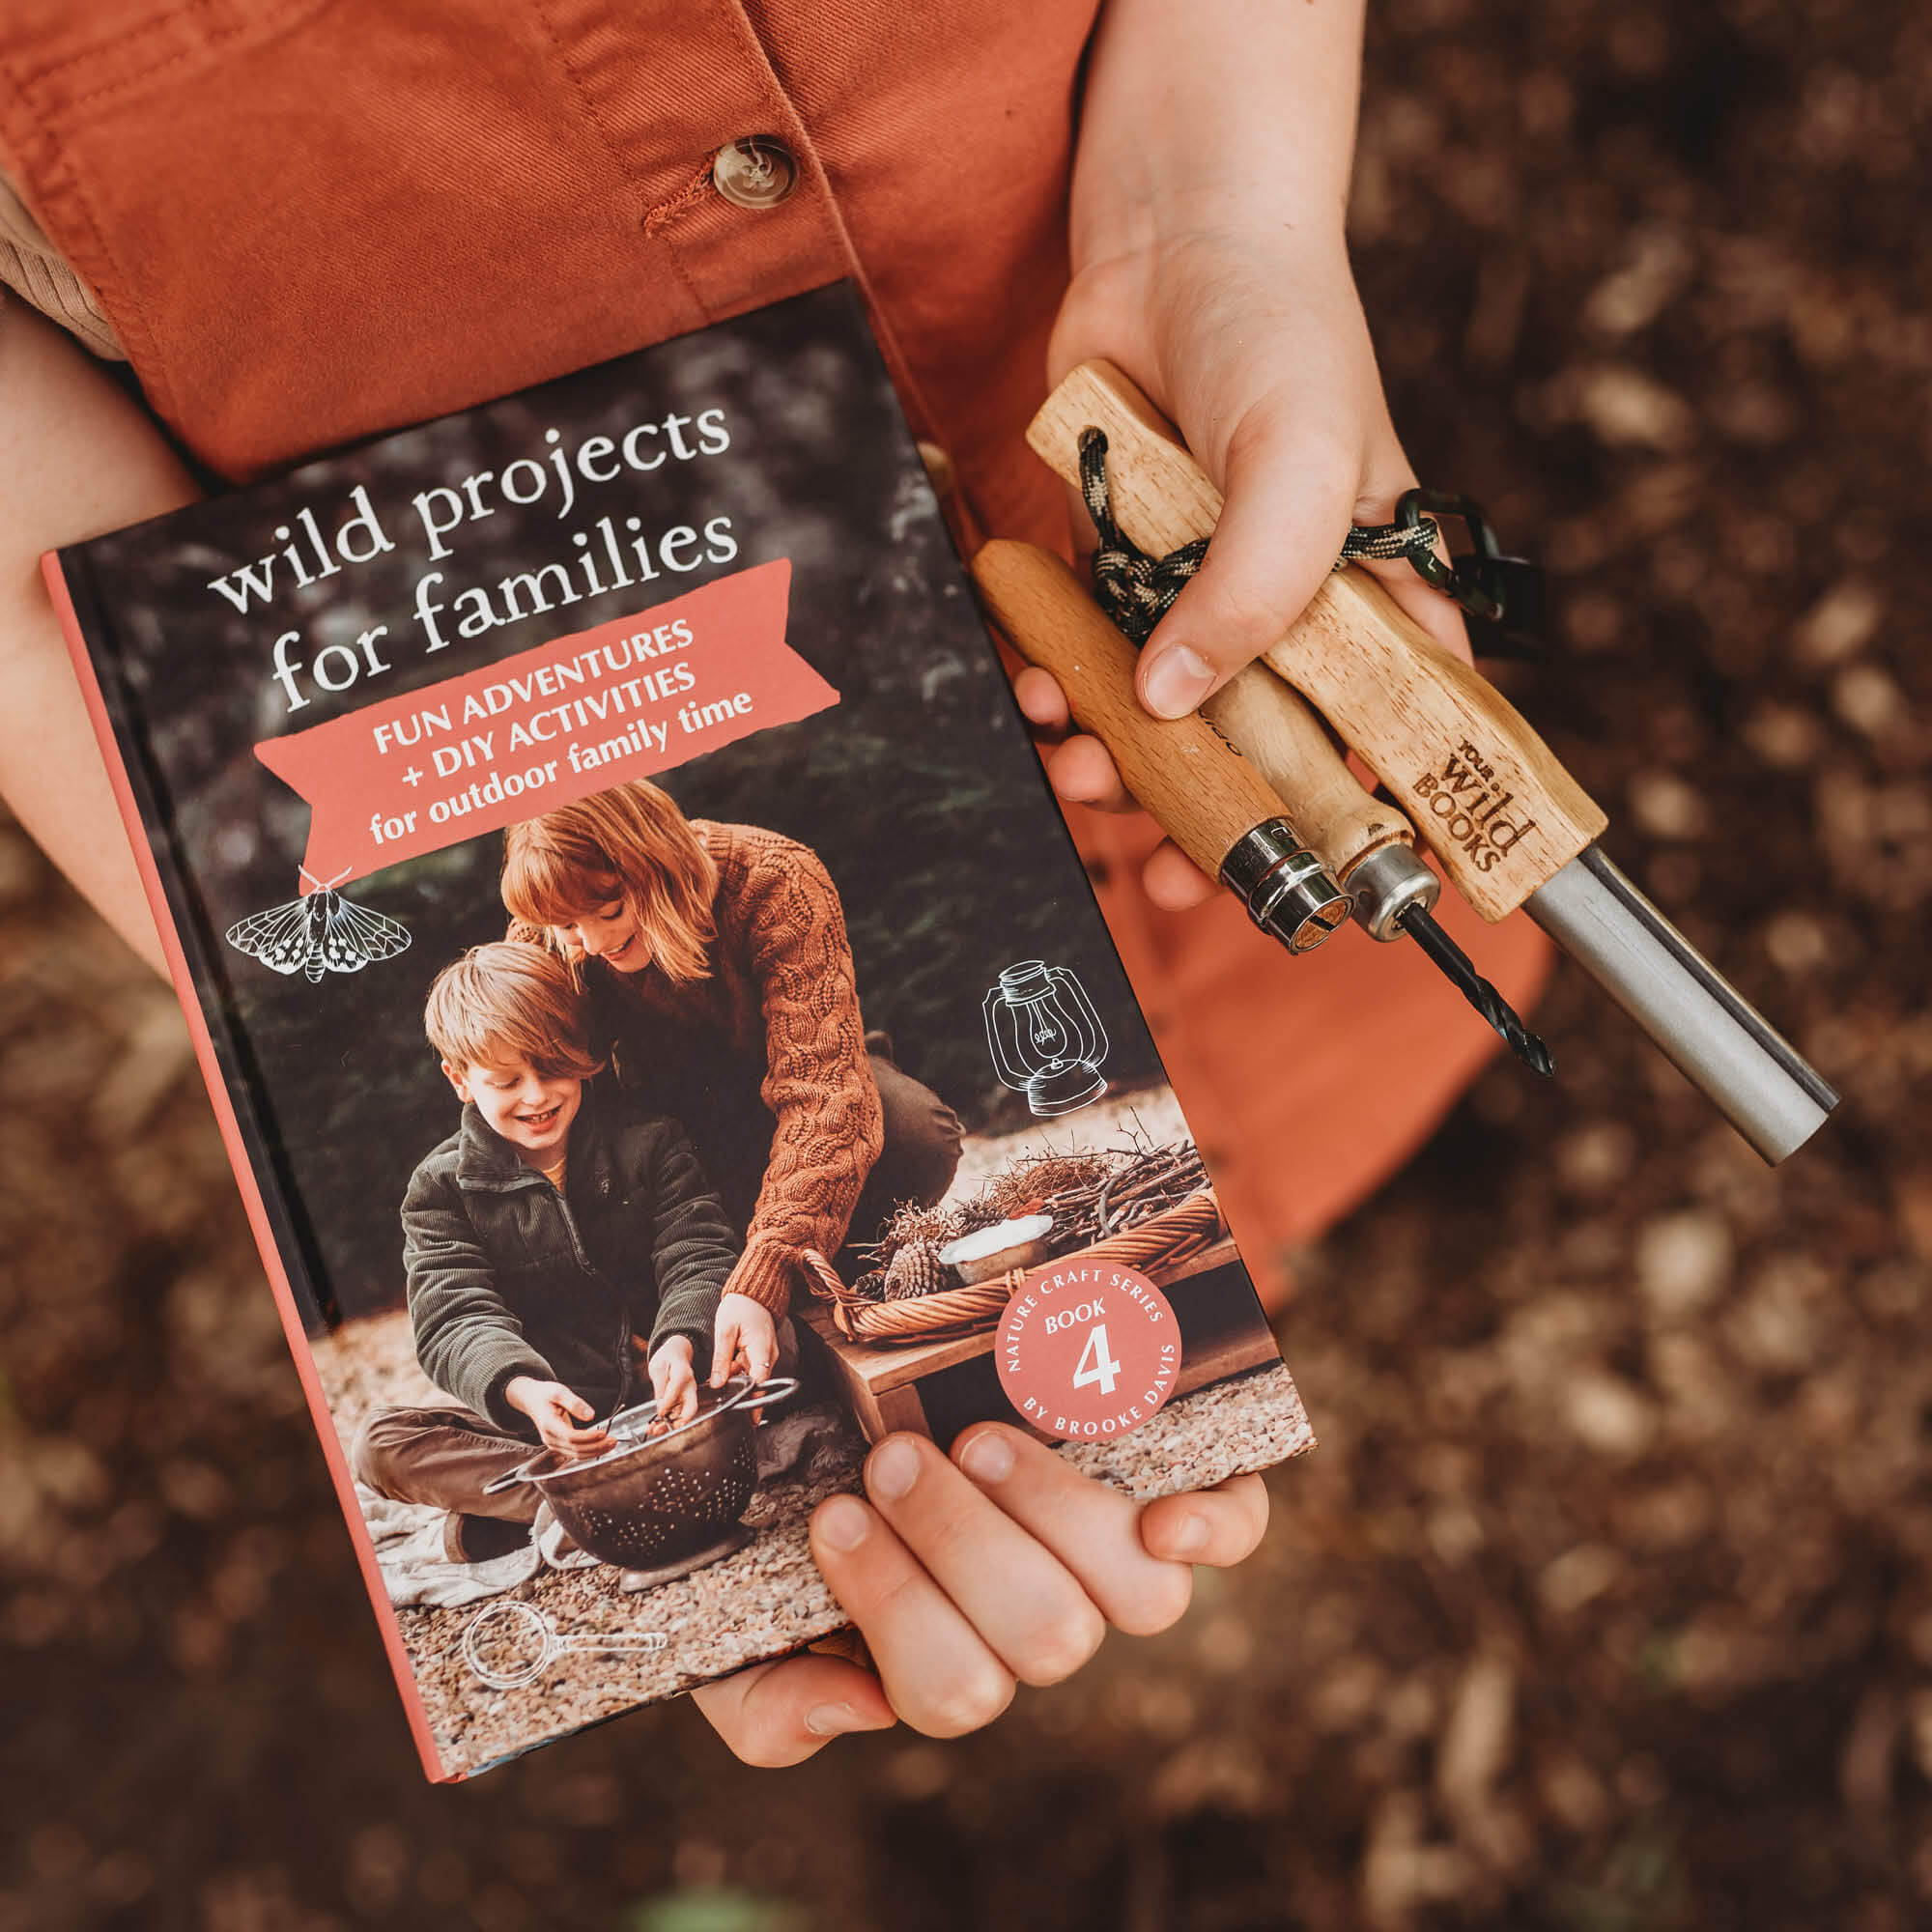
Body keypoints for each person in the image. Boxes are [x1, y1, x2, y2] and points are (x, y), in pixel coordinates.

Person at [0, 0, 1542, 1762]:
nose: (560, 960)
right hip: (668, 1284)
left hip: (1078, 492)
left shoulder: (768, 877)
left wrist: (1215, 213)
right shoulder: (488, 1094)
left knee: (1184, 1050)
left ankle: (1196, 1241)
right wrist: (589, 1376)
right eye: (535, 963)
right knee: (534, 1399)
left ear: (653, 857)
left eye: (586, 920)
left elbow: (808, 1098)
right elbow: (581, 1207)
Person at [501, 780, 963, 1362]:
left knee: (916, 1132)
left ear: (658, 864)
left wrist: (767, 1272)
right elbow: (533, 1106)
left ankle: (807, 1279)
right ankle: (746, 1302)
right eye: (568, 927)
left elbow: (824, 1090)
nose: (590, 942)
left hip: (801, 1074)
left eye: (610, 911)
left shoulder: (775, 878)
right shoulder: (550, 927)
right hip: (676, 1127)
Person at [353, 941, 771, 1563]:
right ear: (459, 1079)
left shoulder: (650, 1140)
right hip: (553, 1424)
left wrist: (681, 1341)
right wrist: (523, 1389)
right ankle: (564, 1496)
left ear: (586, 1056)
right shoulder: (438, 1188)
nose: (536, 1096)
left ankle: (552, 1511)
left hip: (672, 1390)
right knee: (378, 1443)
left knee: (772, 1338)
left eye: (553, 1069)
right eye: (506, 1081)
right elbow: (453, 1318)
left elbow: (699, 1248)